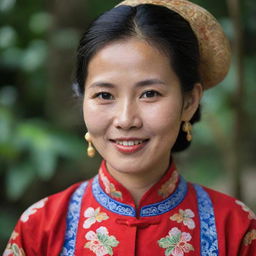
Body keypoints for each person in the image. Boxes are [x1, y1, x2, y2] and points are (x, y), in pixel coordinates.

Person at [3, 0, 256, 255]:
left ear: (189, 102)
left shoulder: (234, 228)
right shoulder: (40, 227)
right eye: (104, 95)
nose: (125, 119)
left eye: (149, 93)